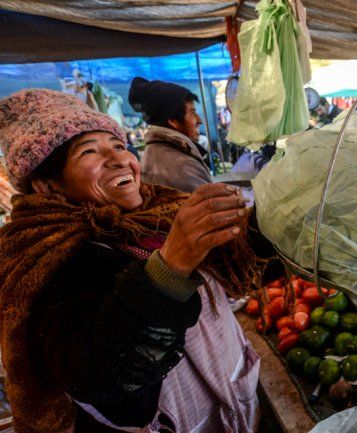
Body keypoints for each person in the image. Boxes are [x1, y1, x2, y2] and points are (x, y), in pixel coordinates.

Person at [0, 89, 277, 432]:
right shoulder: (47, 258)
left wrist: (285, 215)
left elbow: (239, 259)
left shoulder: (157, 210)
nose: (119, 159)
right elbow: (99, 379)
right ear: (48, 187)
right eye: (89, 151)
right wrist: (171, 267)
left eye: (118, 145)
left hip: (233, 405)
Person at [128, 77, 212, 193]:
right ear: (173, 121)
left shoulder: (159, 152)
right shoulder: (181, 166)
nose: (199, 120)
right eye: (192, 113)